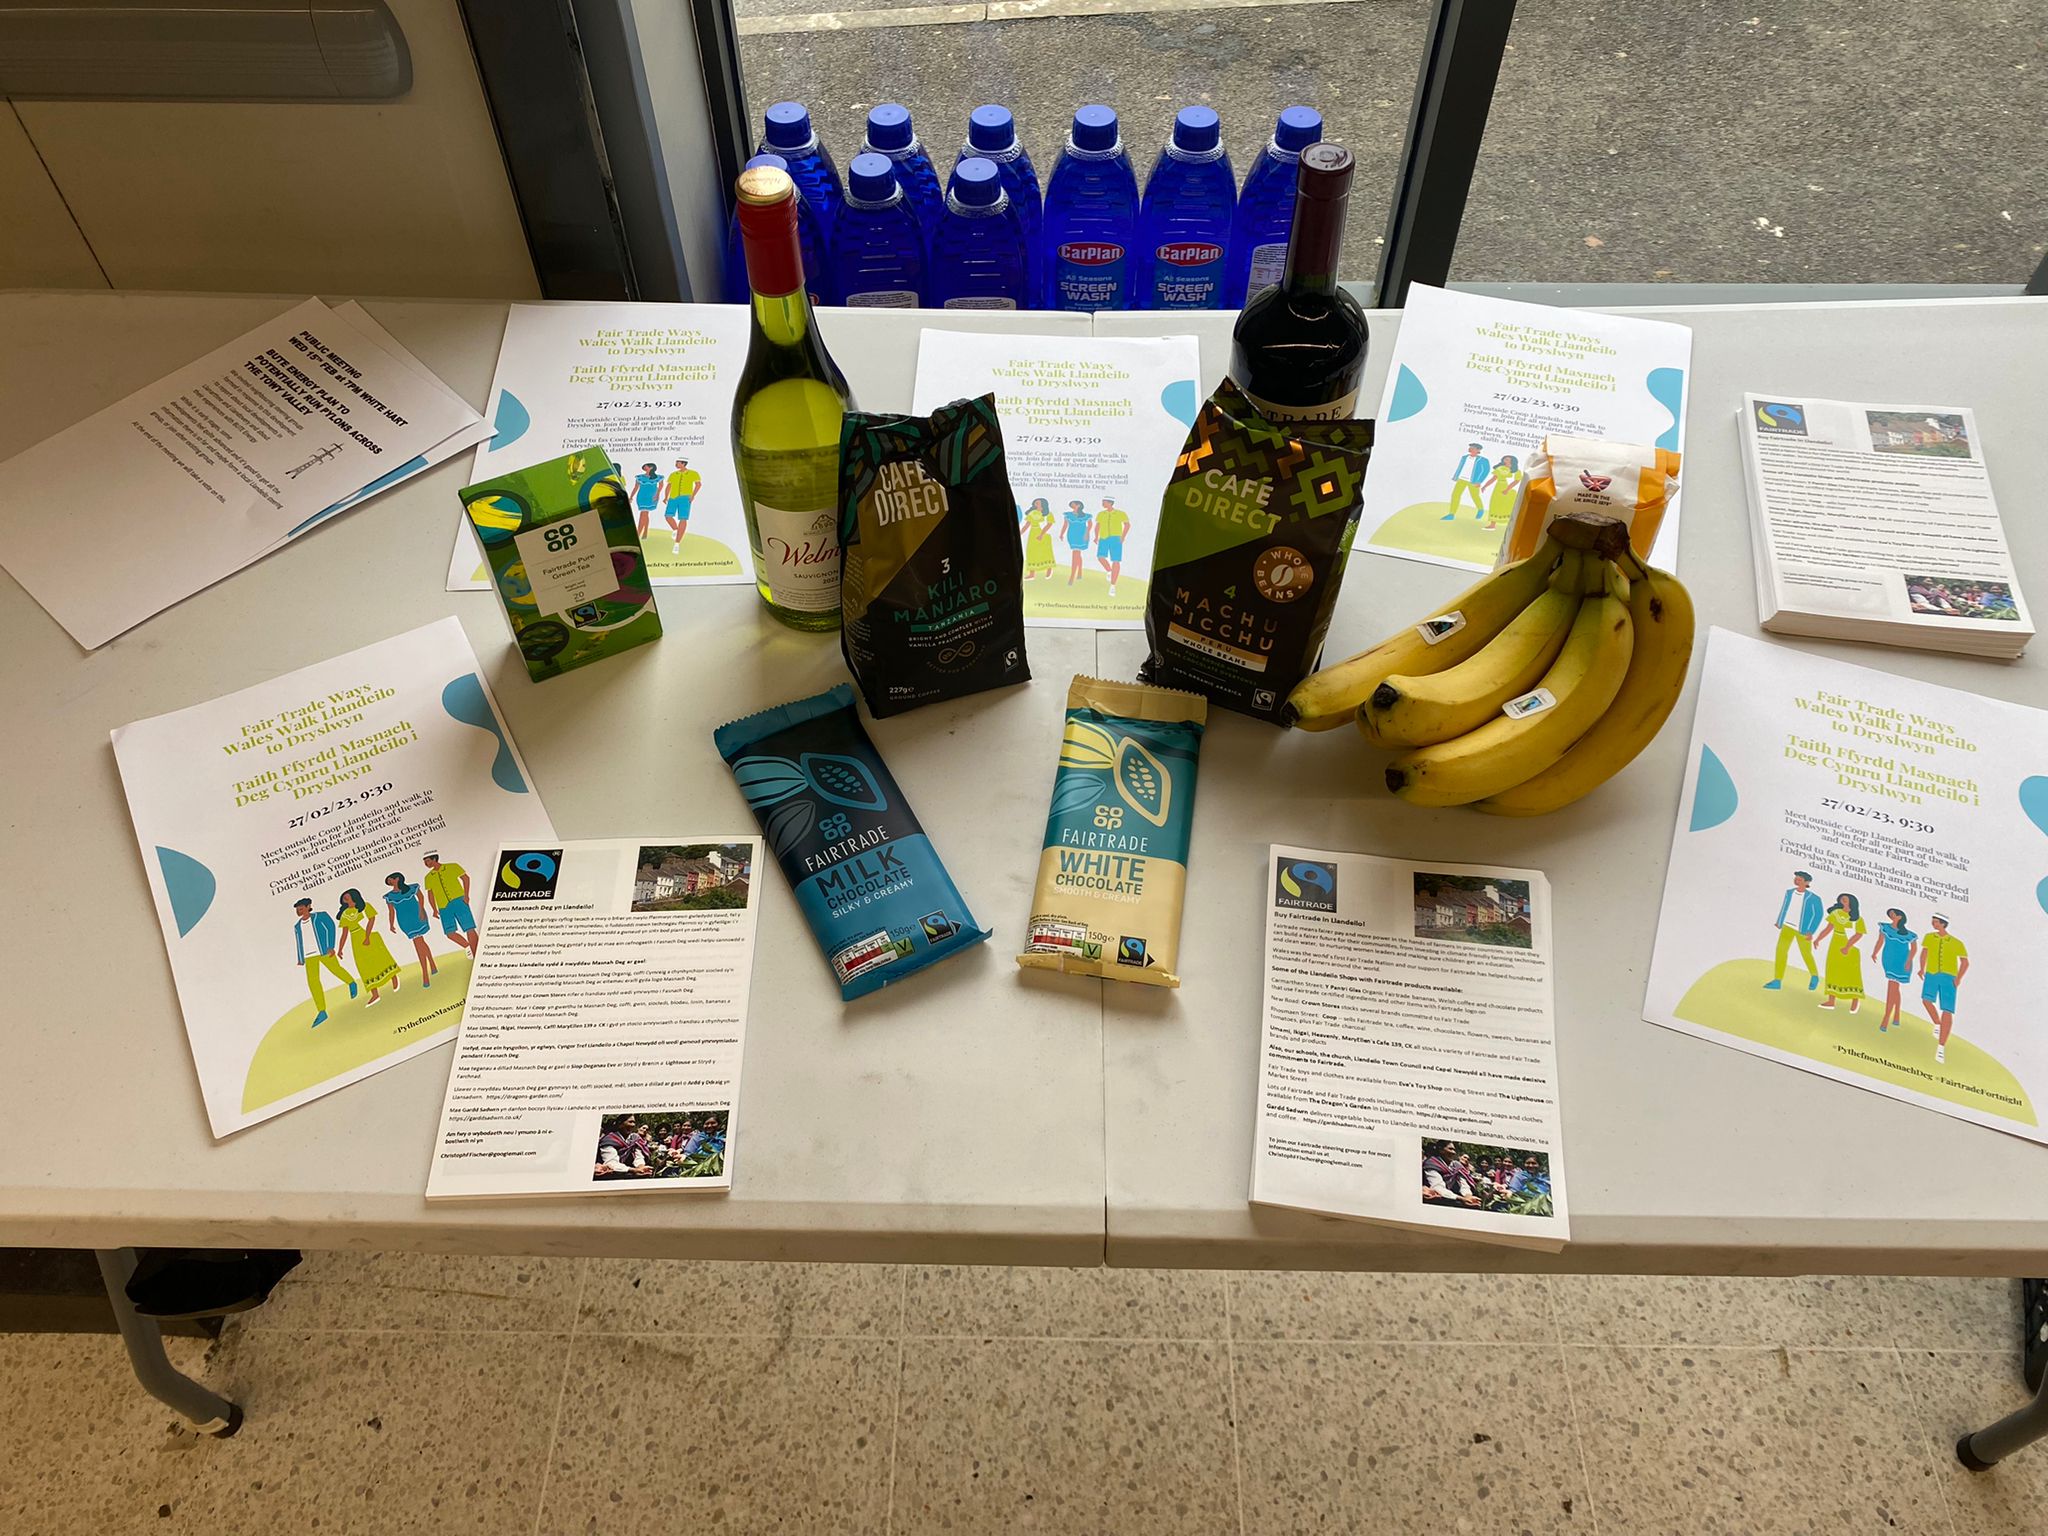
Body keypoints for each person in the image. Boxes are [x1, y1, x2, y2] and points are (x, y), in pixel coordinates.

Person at [292, 897, 356, 1027]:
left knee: (336, 970)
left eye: (301, 908)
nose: (299, 911)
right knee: (313, 982)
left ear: (308, 906)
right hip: (309, 956)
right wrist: (300, 958)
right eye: (297, 909)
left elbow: (331, 928)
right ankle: (322, 1011)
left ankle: (351, 983)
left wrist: (331, 946)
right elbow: (299, 942)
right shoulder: (297, 926)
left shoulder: (320, 916)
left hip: (324, 951)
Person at [1918, 913, 1970, 1065]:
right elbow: (1924, 953)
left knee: (1947, 1010)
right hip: (1931, 974)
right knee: (1926, 1000)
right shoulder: (1929, 937)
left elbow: (1965, 962)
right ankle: (1937, 1023)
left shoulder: (1956, 942)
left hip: (1949, 978)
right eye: (1932, 921)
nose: (1933, 924)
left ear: (1943, 924)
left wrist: (1958, 978)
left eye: (1935, 922)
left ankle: (1941, 1047)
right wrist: (1921, 968)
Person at [335, 888, 400, 1004]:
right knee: (364, 966)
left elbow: (371, 920)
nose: (345, 898)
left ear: (354, 896)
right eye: (344, 897)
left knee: (381, 958)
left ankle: (394, 978)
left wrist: (367, 936)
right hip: (356, 942)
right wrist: (340, 949)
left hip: (368, 936)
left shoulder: (364, 906)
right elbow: (344, 933)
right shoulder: (345, 914)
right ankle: (375, 994)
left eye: (347, 896)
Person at [1765, 869, 1824, 990]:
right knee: (1781, 952)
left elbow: (1818, 915)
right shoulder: (1789, 892)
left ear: (1806, 882)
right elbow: (1785, 907)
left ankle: (1814, 976)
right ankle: (1777, 980)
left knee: (1806, 954)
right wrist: (1780, 921)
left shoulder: (1814, 898)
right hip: (1787, 927)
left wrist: (1810, 931)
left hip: (1803, 930)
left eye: (1800, 879)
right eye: (1796, 878)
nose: (1796, 881)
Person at [383, 871, 437, 988]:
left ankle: (425, 974)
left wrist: (421, 911)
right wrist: (391, 924)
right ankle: (432, 964)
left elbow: (421, 898)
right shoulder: (389, 896)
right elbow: (391, 911)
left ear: (397, 879)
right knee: (420, 942)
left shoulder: (412, 888)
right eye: (388, 882)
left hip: (417, 916)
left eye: (391, 880)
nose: (390, 883)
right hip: (405, 921)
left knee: (418, 943)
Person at [421, 852, 479, 959]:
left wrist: (466, 895)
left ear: (434, 859)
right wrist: (434, 909)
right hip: (443, 907)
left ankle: (478, 955)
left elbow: (466, 878)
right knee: (450, 933)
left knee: (469, 928)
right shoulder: (428, 877)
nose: (426, 864)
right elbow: (430, 894)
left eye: (427, 861)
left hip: (459, 901)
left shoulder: (452, 866)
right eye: (424, 862)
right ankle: (468, 946)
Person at [1869, 908, 1918, 1033]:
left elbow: (1913, 949)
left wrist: (1908, 961)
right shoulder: (1885, 927)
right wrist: (1875, 952)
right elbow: (1880, 941)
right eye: (1890, 914)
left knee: (1892, 988)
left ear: (1900, 917)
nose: (1891, 916)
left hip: (1902, 962)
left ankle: (1886, 1018)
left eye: (1893, 914)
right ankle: (1896, 1014)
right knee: (1895, 988)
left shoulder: (1908, 934)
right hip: (1889, 959)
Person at [1818, 892, 1867, 1011]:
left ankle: (1855, 1001)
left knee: (1852, 974)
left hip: (1850, 948)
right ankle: (1831, 1000)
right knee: (1833, 970)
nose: (1843, 901)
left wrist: (1847, 947)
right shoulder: (1835, 914)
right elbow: (1828, 928)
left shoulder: (1857, 919)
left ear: (1851, 902)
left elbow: (1859, 934)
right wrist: (1818, 939)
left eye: (1845, 899)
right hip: (1835, 945)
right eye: (1841, 899)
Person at [1094, 496, 1132, 598]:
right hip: (1103, 538)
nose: (1102, 504)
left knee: (1116, 560)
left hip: (1115, 538)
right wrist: (1096, 537)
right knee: (1100, 557)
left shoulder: (1120, 513)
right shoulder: (1101, 514)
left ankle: (1113, 585)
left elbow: (1127, 525)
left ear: (1110, 503)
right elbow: (1097, 526)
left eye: (1104, 502)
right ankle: (1109, 571)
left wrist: (1123, 537)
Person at [1443, 442, 1491, 520]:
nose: (1470, 449)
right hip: (1461, 479)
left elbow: (1486, 471)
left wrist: (1479, 481)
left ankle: (1480, 509)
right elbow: (1460, 467)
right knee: (1455, 495)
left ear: (1478, 450)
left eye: (1473, 448)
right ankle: (1451, 514)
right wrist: (1456, 476)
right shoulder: (1464, 457)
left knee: (1475, 496)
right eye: (1470, 447)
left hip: (1473, 481)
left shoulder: (1483, 460)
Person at [663, 457, 701, 551]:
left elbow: (698, 484)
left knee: (683, 518)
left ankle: (677, 543)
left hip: (685, 497)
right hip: (673, 497)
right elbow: (669, 486)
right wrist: (666, 497)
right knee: (668, 516)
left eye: (678, 463)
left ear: (683, 463)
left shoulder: (693, 473)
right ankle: (676, 529)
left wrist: (692, 495)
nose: (676, 464)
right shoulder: (673, 474)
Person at [1483, 453, 1523, 529]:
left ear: (1512, 461)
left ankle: (1509, 525)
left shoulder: (1516, 471)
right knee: (1495, 504)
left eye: (1507, 459)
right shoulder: (1500, 469)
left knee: (1508, 506)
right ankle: (1492, 524)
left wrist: (1507, 489)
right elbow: (1493, 479)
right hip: (1498, 488)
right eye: (1505, 459)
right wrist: (1485, 486)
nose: (1505, 460)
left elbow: (1516, 481)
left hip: (1509, 490)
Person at [1021, 498, 1056, 581]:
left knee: (1046, 552)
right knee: (1031, 552)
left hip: (1044, 535)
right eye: (1035, 503)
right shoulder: (1032, 513)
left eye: (1037, 503)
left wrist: (1041, 534)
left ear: (1043, 504)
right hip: (1033, 534)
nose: (1035, 504)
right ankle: (1032, 573)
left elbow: (1049, 525)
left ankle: (1049, 570)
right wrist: (1019, 533)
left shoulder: (1048, 514)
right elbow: (1027, 525)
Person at [1060, 499, 1093, 584]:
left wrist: (1086, 533)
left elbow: (1090, 525)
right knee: (1077, 554)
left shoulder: (1086, 515)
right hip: (1072, 535)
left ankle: (1072, 576)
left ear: (1078, 505)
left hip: (1082, 535)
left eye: (1073, 504)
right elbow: (1065, 525)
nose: (1072, 506)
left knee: (1076, 554)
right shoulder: (1068, 515)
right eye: (1071, 504)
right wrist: (1061, 534)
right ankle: (1079, 572)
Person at [632, 461, 662, 541]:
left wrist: (657, 494)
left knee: (644, 514)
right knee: (644, 514)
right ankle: (645, 532)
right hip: (641, 497)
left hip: (651, 497)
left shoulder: (657, 477)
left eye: (646, 466)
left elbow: (660, 486)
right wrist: (631, 496)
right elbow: (636, 487)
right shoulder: (640, 477)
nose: (644, 468)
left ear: (651, 467)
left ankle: (638, 533)